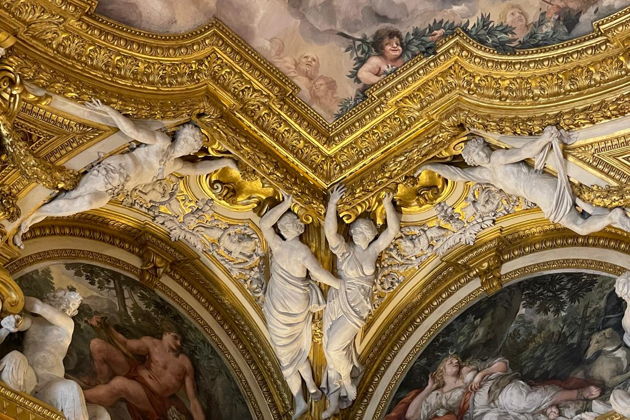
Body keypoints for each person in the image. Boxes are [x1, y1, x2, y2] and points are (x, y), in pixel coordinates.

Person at [14, 99, 238, 248]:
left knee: (89, 202)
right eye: (188, 143)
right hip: (113, 171)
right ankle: (31, 217)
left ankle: (37, 214)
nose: (187, 149)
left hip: (117, 188)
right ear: (181, 138)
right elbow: (133, 130)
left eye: (190, 148)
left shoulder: (174, 165)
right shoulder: (162, 141)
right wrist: (109, 111)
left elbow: (197, 168)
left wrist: (225, 161)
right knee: (78, 196)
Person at [415, 126, 630, 236]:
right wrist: (429, 167)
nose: (482, 155)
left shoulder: (498, 158)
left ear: (486, 147)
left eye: (482, 150)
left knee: (579, 227)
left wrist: (544, 139)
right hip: (541, 191)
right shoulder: (488, 174)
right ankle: (613, 216)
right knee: (587, 211)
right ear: (473, 161)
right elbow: (457, 174)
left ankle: (613, 216)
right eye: (477, 156)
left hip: (541, 190)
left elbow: (525, 151)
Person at [259, 193, 341, 420]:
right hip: (286, 304)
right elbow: (318, 273)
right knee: (291, 351)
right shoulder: (290, 248)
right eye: (287, 224)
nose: (287, 227)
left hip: (285, 305)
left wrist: (284, 204)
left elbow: (264, 224)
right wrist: (340, 285)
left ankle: (301, 398)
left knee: (287, 354)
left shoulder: (286, 247)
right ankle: (309, 390)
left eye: (288, 224)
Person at [321, 185, 400, 418]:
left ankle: (346, 381)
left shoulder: (373, 250)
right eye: (354, 231)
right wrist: (332, 204)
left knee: (334, 348)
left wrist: (387, 204)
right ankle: (334, 399)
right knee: (330, 351)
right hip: (339, 301)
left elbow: (393, 230)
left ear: (370, 234)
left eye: (361, 231)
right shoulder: (346, 251)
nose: (356, 234)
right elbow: (330, 234)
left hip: (358, 308)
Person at [0, 290, 108, 420]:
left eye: (71, 305)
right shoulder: (33, 321)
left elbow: (36, 306)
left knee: (73, 390)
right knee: (15, 357)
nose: (67, 306)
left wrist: (14, 299)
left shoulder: (67, 324)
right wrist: (13, 322)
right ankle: (10, 409)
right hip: (29, 378)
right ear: (51, 299)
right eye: (63, 299)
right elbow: (21, 322)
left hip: (52, 386)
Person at [405, 355, 602, 420]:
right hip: (479, 412)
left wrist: (482, 374)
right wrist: (428, 389)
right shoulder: (439, 394)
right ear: (441, 369)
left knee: (522, 402)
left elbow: (503, 364)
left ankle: (578, 393)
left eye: (456, 359)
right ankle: (543, 410)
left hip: (497, 390)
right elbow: (411, 416)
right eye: (450, 361)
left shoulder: (470, 368)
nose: (455, 361)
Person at [83, 317, 204, 420]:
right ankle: (101, 384)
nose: (179, 344)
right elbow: (126, 344)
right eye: (175, 338)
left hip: (155, 399)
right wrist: (106, 326)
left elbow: (193, 400)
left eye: (181, 341)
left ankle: (79, 395)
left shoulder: (184, 363)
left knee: (120, 384)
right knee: (97, 345)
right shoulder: (152, 343)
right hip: (136, 374)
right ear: (166, 333)